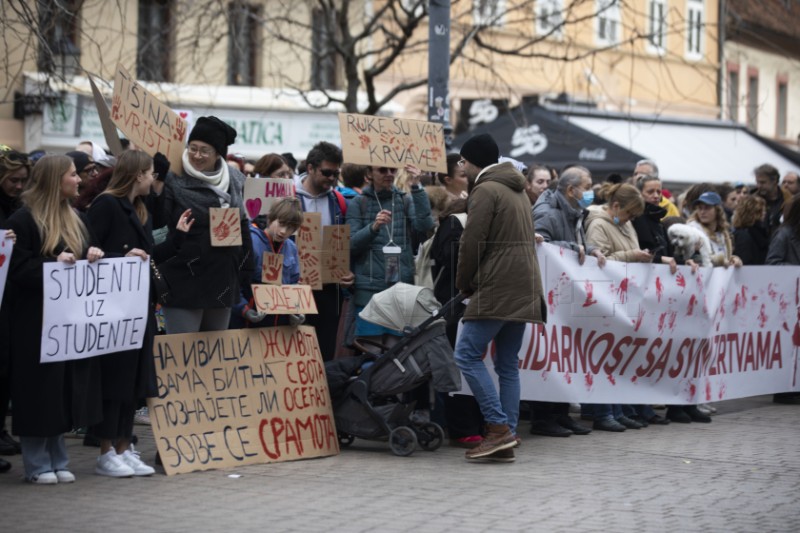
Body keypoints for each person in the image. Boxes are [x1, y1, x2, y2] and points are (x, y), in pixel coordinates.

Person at [6, 155, 106, 484]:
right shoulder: (23, 220)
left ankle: (58, 458)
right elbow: (16, 271)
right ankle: (37, 464)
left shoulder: (77, 217)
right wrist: (51, 265)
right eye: (73, 175)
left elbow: (88, 250)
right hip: (34, 324)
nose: (79, 180)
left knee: (61, 391)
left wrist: (93, 254)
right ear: (55, 180)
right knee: (37, 391)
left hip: (67, 325)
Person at [87, 150, 184, 477]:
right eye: (149, 173)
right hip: (113, 309)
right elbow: (90, 250)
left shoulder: (140, 209)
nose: (153, 179)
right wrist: (121, 256)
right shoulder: (106, 204)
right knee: (115, 380)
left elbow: (151, 255)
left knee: (133, 382)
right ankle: (105, 451)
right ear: (136, 174)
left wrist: (177, 237)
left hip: (137, 308)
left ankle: (123, 446)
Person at [452, 133, 544, 463]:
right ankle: (509, 433)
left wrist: (463, 282)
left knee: (465, 355)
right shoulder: (517, 190)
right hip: (524, 286)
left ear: (474, 161)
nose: (462, 168)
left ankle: (497, 429)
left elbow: (472, 242)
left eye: (463, 161)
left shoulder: (486, 189)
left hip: (498, 286)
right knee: (507, 365)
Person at [154, 116, 254, 334]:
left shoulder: (236, 179)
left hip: (222, 279)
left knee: (214, 356)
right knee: (182, 355)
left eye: (204, 150)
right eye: (193, 148)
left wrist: (245, 266)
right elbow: (159, 220)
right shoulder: (174, 177)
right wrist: (159, 183)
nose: (197, 155)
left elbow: (243, 223)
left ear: (218, 153)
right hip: (183, 280)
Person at [530, 166, 606, 437]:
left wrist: (591, 250)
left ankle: (561, 414)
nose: (591, 190)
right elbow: (539, 247)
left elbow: (574, 245)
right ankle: (544, 417)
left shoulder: (574, 212)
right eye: (587, 185)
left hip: (563, 298)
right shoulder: (547, 212)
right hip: (549, 298)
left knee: (565, 357)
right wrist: (575, 250)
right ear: (572, 190)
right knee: (549, 356)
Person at [584, 183, 650, 432]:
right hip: (605, 297)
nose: (630, 219)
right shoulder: (599, 224)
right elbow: (598, 262)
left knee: (617, 358)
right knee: (604, 357)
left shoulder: (623, 223)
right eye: (629, 213)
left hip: (623, 297)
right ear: (615, 206)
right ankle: (604, 412)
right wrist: (632, 255)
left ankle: (617, 410)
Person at [347, 164, 434, 344]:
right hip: (369, 291)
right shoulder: (359, 202)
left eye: (392, 170)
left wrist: (417, 187)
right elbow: (351, 244)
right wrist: (373, 227)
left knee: (397, 351)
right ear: (368, 173)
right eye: (382, 170)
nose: (389, 174)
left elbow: (425, 226)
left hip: (400, 289)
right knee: (370, 349)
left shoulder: (405, 200)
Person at [429, 198, 484, 448]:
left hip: (469, 305)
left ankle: (473, 423)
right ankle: (461, 426)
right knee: (457, 367)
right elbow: (449, 259)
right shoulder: (456, 223)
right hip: (452, 305)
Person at [296, 142, 354, 361]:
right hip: (297, 285)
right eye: (327, 172)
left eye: (336, 174)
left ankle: (322, 393)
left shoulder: (338, 201)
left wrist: (347, 272)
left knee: (325, 349)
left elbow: (344, 243)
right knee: (296, 349)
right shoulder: (289, 196)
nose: (332, 178)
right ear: (310, 168)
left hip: (330, 288)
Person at [232, 197, 302, 329]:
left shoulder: (291, 248)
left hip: (277, 328)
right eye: (281, 224)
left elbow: (294, 283)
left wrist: (296, 310)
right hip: (246, 325)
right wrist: (244, 309)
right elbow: (233, 282)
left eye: (290, 228)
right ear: (270, 218)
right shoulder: (250, 243)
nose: (283, 231)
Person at [0, 149, 29, 469]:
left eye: (23, 181)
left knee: (5, 366)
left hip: (9, 299)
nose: (19, 186)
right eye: (13, 180)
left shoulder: (17, 207)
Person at [765, 194, 800, 404]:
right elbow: (772, 263)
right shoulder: (784, 235)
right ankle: (784, 389)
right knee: (788, 345)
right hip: (787, 300)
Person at [633, 174, 679, 274]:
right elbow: (638, 253)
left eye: (659, 192)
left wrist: (685, 262)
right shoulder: (635, 219)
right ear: (639, 194)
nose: (656, 196)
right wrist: (660, 259)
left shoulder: (659, 222)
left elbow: (669, 256)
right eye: (650, 192)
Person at [688, 191, 742, 268]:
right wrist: (720, 261)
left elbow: (722, 254)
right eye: (700, 208)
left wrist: (733, 259)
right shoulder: (693, 230)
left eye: (707, 208)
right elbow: (690, 258)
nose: (702, 212)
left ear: (718, 210)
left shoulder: (723, 232)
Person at [753, 163, 791, 238]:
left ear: (774, 181)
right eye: (757, 182)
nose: (759, 186)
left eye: (762, 182)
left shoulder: (789, 200)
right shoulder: (752, 201)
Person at [732, 194, 769, 265]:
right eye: (762, 211)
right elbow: (745, 260)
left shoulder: (760, 232)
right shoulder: (744, 235)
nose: (765, 213)